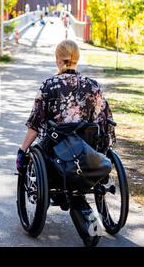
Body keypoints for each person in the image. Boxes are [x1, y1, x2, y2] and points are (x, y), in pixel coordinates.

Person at [16, 39, 115, 228]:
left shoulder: (49, 85)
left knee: (40, 148)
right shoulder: (93, 86)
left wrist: (22, 151)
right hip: (87, 153)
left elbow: (35, 124)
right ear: (76, 58)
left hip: (57, 155)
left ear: (57, 60)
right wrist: (103, 150)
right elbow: (104, 121)